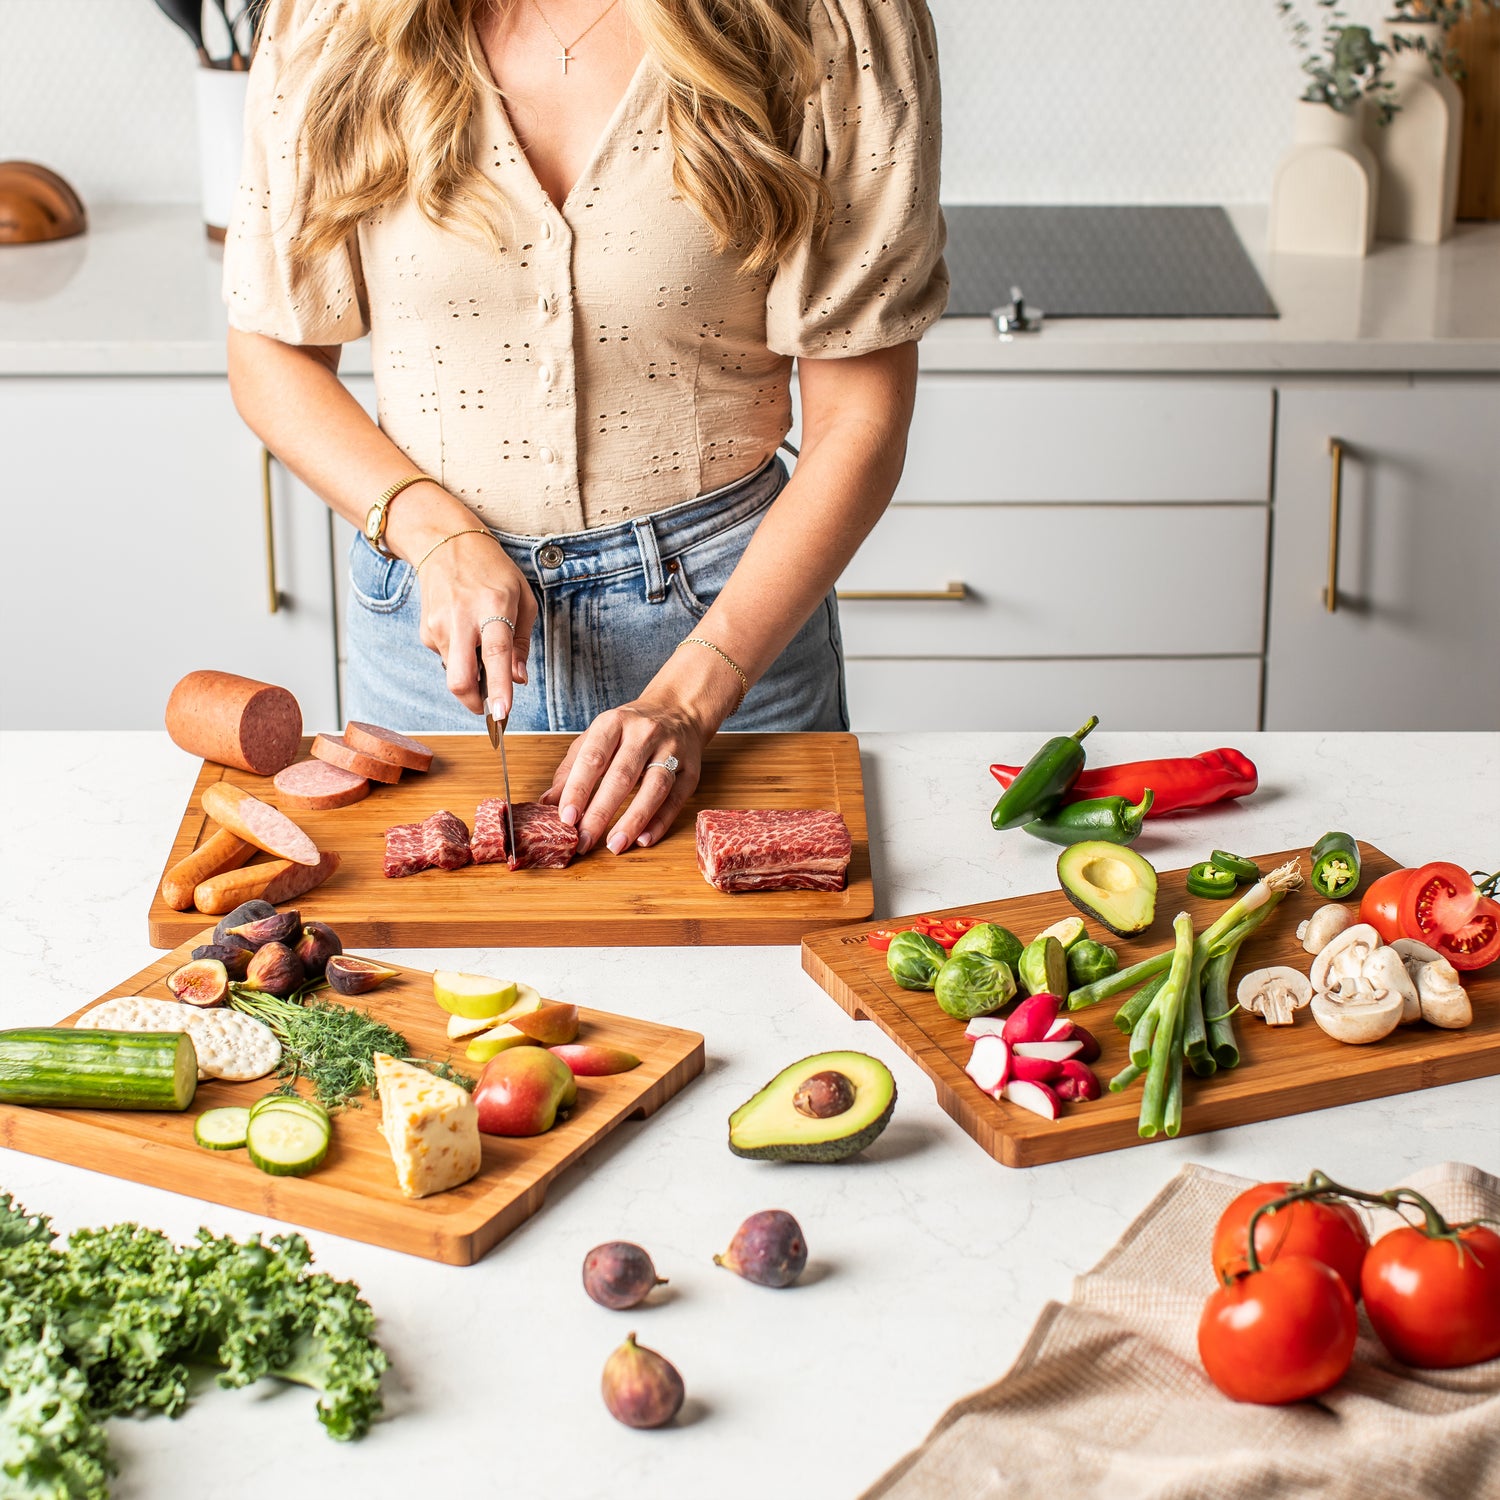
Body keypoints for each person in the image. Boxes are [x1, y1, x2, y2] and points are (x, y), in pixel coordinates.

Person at [225, 0, 945, 856]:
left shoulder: (830, 19)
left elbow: (858, 414)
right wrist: (438, 534)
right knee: (430, 982)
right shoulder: (328, 17)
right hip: (432, 637)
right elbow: (272, 358)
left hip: (730, 625)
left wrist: (691, 694)